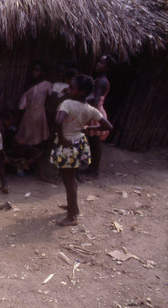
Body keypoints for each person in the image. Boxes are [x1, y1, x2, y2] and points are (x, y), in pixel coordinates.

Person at [50, 75, 112, 226]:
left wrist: (62, 138)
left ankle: (72, 217)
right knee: (72, 178)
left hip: (68, 145)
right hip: (79, 144)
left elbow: (58, 121)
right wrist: (89, 128)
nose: (68, 90)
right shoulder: (89, 109)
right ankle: (74, 208)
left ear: (82, 91)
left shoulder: (68, 104)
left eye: (72, 88)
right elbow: (108, 126)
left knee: (68, 180)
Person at [16, 61, 53, 181]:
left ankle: (34, 169)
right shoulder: (29, 87)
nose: (34, 73)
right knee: (25, 144)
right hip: (28, 117)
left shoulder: (47, 85)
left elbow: (51, 101)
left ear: (43, 72)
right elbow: (21, 106)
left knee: (36, 144)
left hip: (39, 117)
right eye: (33, 70)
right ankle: (23, 167)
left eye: (37, 70)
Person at [83, 55, 115, 178]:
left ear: (107, 67)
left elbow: (95, 101)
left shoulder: (101, 81)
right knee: (92, 142)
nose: (98, 64)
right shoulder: (100, 79)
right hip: (95, 112)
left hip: (96, 113)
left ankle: (94, 171)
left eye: (102, 63)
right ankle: (91, 168)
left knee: (95, 143)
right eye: (99, 62)